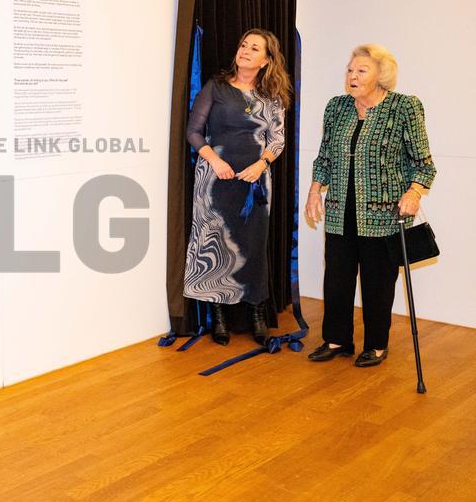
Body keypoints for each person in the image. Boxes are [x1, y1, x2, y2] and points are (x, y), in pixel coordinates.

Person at [306, 45, 436, 367]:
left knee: (378, 283)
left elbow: (424, 164)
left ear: (381, 75)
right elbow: (324, 158)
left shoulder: (403, 107)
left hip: (384, 215)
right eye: (350, 70)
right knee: (336, 278)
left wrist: (414, 192)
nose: (352, 75)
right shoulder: (337, 108)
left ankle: (376, 344)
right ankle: (336, 339)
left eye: (361, 70)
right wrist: (313, 192)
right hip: (340, 211)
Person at [183, 29, 291, 345]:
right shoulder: (216, 87)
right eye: (243, 44)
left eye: (254, 48)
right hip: (215, 179)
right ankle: (218, 317)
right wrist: (214, 161)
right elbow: (193, 131)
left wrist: (261, 164)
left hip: (255, 183)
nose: (244, 50)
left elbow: (278, 138)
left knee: (253, 247)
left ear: (266, 60)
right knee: (215, 243)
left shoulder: (271, 96)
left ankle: (257, 313)